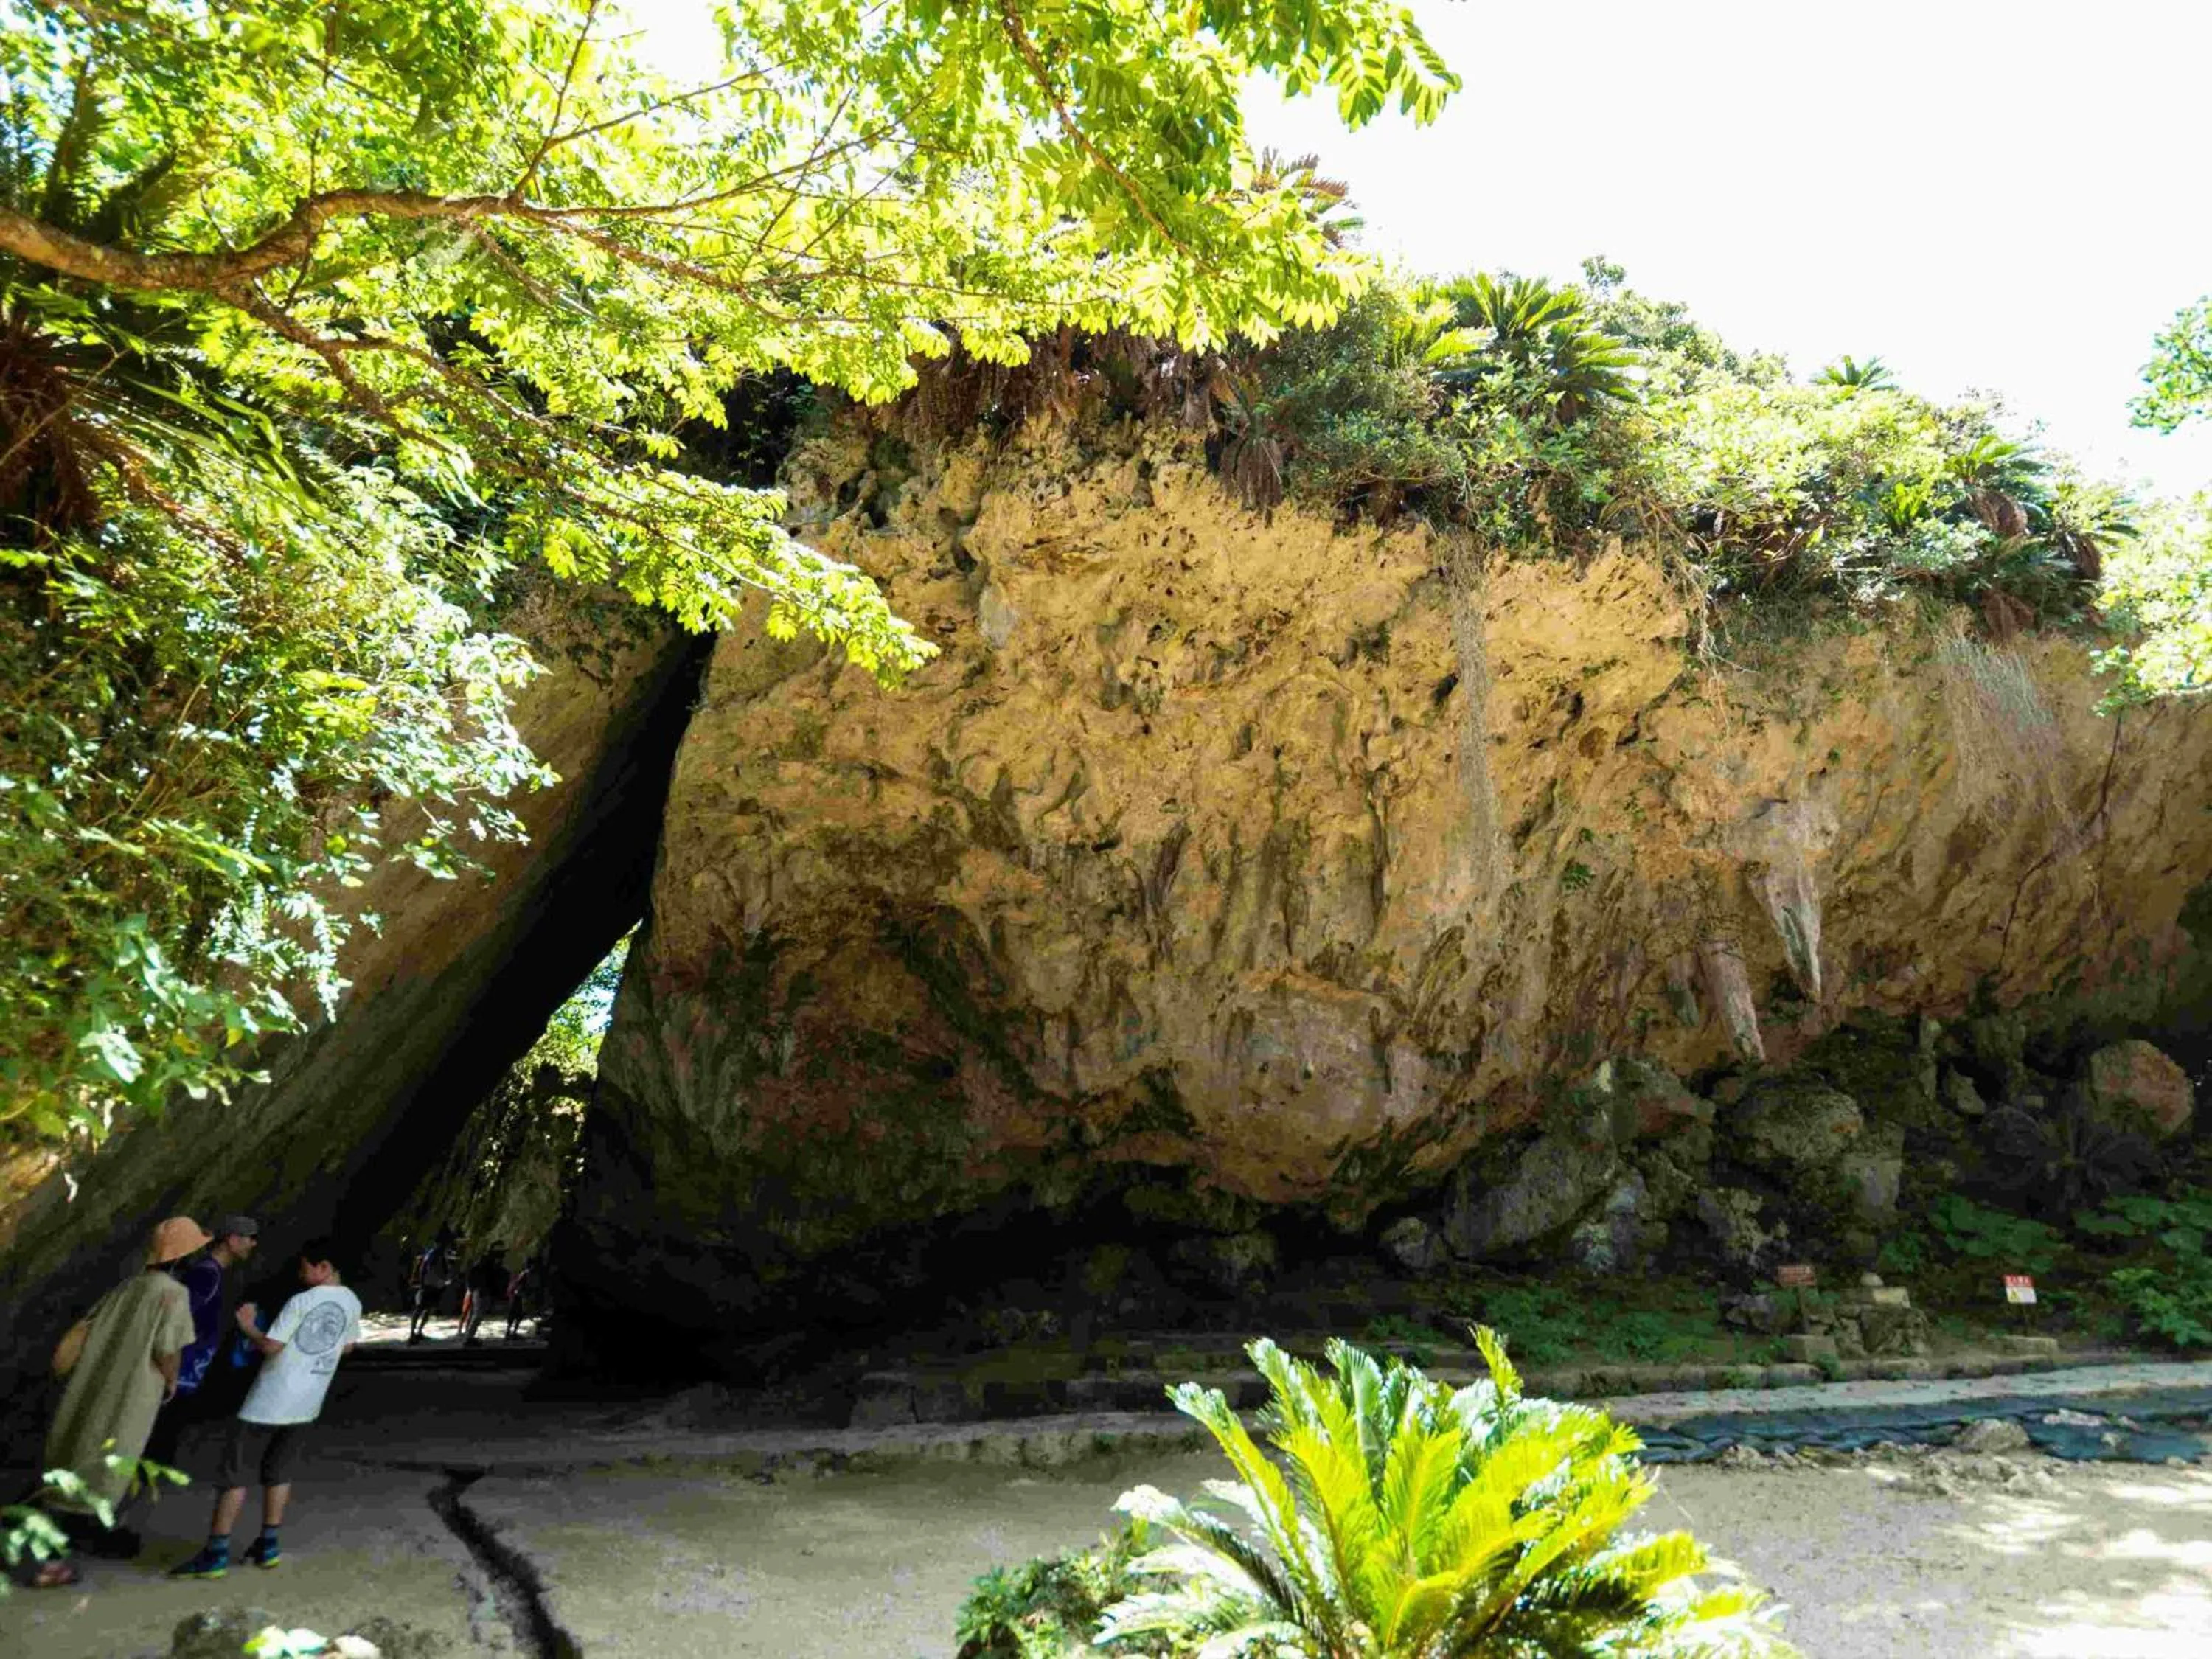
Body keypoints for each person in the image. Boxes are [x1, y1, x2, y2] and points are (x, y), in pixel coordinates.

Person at [170, 1237, 361, 1579]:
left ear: (323, 1268)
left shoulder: (301, 1301)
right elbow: (347, 1348)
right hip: (308, 1402)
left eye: (305, 1268)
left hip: (269, 1400)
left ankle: (216, 1553)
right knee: (279, 1472)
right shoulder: (352, 1301)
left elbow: (272, 1346)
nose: (300, 1274)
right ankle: (268, 1546)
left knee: (235, 1473)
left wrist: (248, 1327)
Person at [32, 1217, 204, 1583]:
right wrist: (172, 1381)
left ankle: (58, 1548)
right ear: (185, 1256)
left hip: (91, 1386)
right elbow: (167, 1349)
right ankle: (69, 1552)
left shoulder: (127, 1286)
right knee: (115, 1464)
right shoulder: (173, 1294)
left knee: (74, 1456)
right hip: (132, 1393)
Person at [144, 1214, 259, 1472]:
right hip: (178, 1374)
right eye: (250, 1238)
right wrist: (171, 1374)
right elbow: (174, 1324)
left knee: (164, 1439)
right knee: (160, 1442)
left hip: (186, 1372)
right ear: (232, 1240)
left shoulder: (211, 1273)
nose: (253, 1244)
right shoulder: (206, 1275)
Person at [406, 1229, 455, 1343]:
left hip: (436, 1285)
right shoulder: (434, 1253)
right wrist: (423, 1282)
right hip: (429, 1284)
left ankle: (419, 1332)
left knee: (428, 1309)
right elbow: (425, 1267)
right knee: (420, 1308)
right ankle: (412, 1334)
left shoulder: (441, 1253)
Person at [459, 1242, 507, 1345]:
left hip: (482, 1291)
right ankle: (468, 1338)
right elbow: (475, 1274)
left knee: (476, 1315)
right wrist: (474, 1288)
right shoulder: (486, 1263)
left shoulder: (492, 1263)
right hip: (481, 1291)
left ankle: (469, 1336)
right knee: (477, 1315)